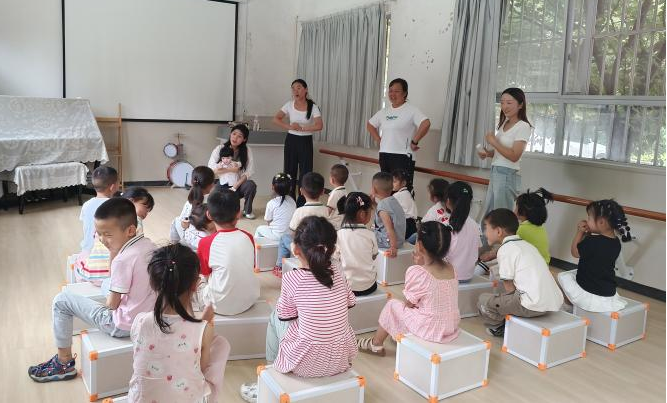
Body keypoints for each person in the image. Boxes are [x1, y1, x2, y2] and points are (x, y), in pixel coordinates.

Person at [29, 198, 156, 382]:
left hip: (122, 326)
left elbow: (112, 305)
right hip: (149, 319)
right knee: (107, 284)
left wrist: (112, 288)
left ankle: (63, 363)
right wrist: (114, 252)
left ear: (129, 230)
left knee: (61, 301)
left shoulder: (123, 260)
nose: (102, 240)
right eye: (99, 234)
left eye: (108, 235)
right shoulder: (151, 246)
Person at [240, 216, 357, 402]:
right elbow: (350, 302)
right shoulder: (338, 271)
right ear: (332, 249)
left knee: (275, 317)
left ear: (295, 250)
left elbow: (285, 316)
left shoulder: (292, 279)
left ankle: (273, 375)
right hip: (340, 359)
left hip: (305, 364)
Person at [129, 244, 230, 403]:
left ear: (153, 283)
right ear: (195, 284)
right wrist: (204, 324)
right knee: (221, 345)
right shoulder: (202, 329)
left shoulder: (140, 321)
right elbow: (200, 370)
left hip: (139, 399)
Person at [357, 221, 460, 356]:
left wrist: (419, 266)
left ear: (420, 245)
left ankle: (376, 344)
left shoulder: (418, 272)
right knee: (420, 308)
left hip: (430, 328)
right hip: (450, 326)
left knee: (392, 305)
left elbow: (409, 303)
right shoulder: (452, 268)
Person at [477, 209, 563, 337]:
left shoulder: (505, 249)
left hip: (532, 306)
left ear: (498, 231)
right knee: (503, 298)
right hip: (552, 303)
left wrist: (505, 306)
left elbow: (509, 288)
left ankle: (498, 328)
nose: (485, 233)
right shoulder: (527, 245)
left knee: (483, 300)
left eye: (486, 228)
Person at [558, 200, 632, 313]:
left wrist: (579, 232)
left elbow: (575, 252)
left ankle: (569, 306)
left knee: (563, 278)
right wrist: (587, 234)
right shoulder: (616, 242)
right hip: (607, 290)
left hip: (588, 288)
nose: (587, 220)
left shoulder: (592, 241)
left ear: (601, 222)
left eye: (589, 218)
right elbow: (594, 252)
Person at [196, 189, 259, 315]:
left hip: (218, 306)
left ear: (209, 215)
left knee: (198, 280)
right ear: (239, 214)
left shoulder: (205, 243)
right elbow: (250, 266)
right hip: (250, 300)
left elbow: (205, 274)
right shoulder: (248, 237)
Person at [367, 78, 431, 190]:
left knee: (402, 190)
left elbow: (426, 123)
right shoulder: (384, 111)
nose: (392, 94)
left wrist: (414, 141)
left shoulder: (411, 110)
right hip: (384, 154)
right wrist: (379, 139)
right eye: (390, 91)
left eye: (396, 91)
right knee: (386, 189)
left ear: (405, 93)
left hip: (402, 156)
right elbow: (370, 124)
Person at [477, 87, 532, 216]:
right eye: (502, 102)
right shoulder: (504, 123)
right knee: (490, 215)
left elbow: (514, 156)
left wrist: (493, 141)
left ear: (520, 105)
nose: (504, 106)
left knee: (501, 217)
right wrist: (487, 153)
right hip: (496, 171)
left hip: (507, 174)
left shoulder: (523, 126)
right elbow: (500, 152)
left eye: (509, 102)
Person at [272, 79, 324, 206]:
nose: (296, 91)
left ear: (305, 90)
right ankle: (289, 200)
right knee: (289, 170)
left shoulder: (313, 107)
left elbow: (319, 125)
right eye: (293, 88)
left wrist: (302, 128)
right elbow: (276, 119)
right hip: (291, 140)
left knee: (306, 171)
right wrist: (289, 127)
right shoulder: (289, 105)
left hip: (305, 141)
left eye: (299, 88)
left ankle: (302, 201)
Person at [273, 172, 330, 277]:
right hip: (321, 250)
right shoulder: (326, 210)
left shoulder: (300, 211)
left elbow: (293, 233)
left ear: (301, 191)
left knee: (284, 238)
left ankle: (279, 266)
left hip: (305, 252)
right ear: (323, 191)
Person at [207, 124, 258, 219]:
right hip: (223, 183)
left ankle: (247, 211)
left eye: (239, 136)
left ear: (244, 139)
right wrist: (231, 169)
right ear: (230, 134)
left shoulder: (247, 150)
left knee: (251, 185)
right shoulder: (219, 148)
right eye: (234, 134)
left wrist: (235, 186)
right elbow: (211, 169)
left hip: (238, 184)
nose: (235, 138)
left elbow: (249, 171)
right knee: (214, 197)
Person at [333, 192, 378, 296]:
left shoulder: (338, 234)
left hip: (346, 287)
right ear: (362, 214)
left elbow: (334, 258)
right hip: (369, 286)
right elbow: (374, 256)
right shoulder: (370, 234)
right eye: (370, 211)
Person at [443, 181, 482, 283]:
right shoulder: (475, 225)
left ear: (448, 201)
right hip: (467, 276)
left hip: (449, 277)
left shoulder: (446, 225)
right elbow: (478, 249)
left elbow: (440, 254)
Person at [170, 166, 215, 244]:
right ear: (211, 185)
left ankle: (174, 245)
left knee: (176, 220)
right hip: (199, 240)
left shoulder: (191, 198)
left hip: (186, 235)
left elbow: (183, 221)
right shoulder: (210, 201)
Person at [371, 172, 406, 257]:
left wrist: (393, 247)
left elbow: (390, 229)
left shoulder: (382, 206)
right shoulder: (393, 201)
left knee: (365, 235)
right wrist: (374, 204)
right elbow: (384, 213)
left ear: (374, 189)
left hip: (388, 242)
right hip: (399, 240)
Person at [254, 173, 296, 241]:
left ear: (272, 187)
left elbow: (268, 221)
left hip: (277, 235)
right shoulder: (292, 201)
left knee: (259, 229)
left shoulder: (271, 203)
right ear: (290, 188)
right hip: (290, 234)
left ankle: (258, 245)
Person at [391, 169, 418, 239]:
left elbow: (387, 209)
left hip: (405, 224)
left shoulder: (397, 195)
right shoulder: (407, 193)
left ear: (403, 183)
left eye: (394, 182)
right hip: (412, 224)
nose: (392, 184)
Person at [326, 164, 349, 230]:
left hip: (334, 224)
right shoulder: (345, 191)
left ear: (332, 180)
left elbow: (328, 211)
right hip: (342, 223)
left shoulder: (334, 193)